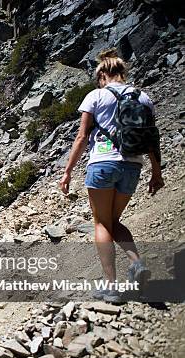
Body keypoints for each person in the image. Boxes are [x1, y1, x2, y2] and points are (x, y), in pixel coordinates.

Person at [59, 49, 164, 302]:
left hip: (102, 164)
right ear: (122, 72)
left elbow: (82, 137)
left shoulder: (95, 96)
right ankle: (137, 263)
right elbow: (152, 139)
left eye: (99, 79)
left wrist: (68, 170)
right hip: (132, 166)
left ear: (103, 74)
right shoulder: (144, 97)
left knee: (102, 223)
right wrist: (156, 173)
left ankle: (111, 287)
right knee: (114, 222)